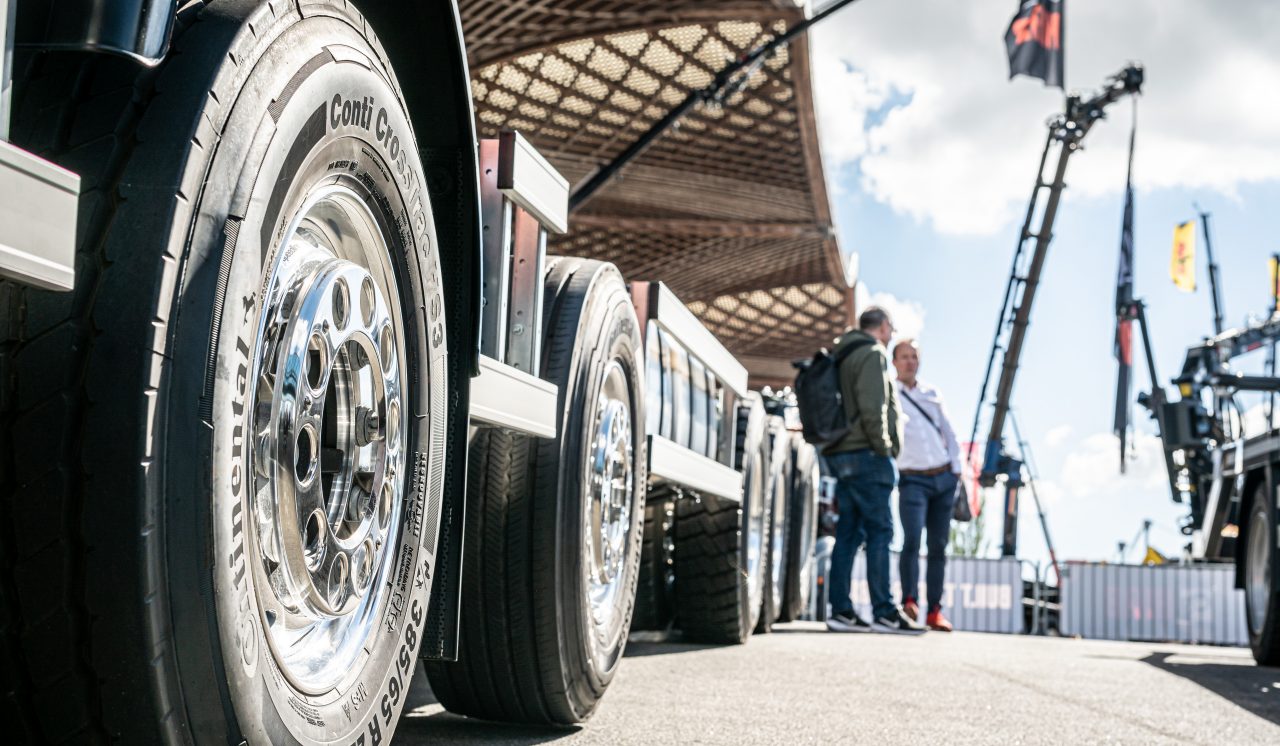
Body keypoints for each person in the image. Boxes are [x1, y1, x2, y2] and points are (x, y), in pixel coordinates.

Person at [824, 307, 924, 635]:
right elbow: (873, 408)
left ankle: (841, 611)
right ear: (881, 327)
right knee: (881, 532)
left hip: (842, 453)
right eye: (891, 328)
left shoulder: (844, 353)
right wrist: (884, 449)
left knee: (849, 533)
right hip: (867, 455)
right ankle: (884, 610)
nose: (891, 333)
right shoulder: (871, 354)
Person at [892, 339, 962, 633]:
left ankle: (935, 611)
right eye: (904, 357)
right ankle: (910, 600)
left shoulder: (932, 393)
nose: (910, 362)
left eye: (914, 357)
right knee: (911, 541)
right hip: (912, 479)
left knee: (938, 547)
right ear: (894, 361)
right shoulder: (889, 392)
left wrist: (956, 472)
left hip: (943, 478)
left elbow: (949, 432)